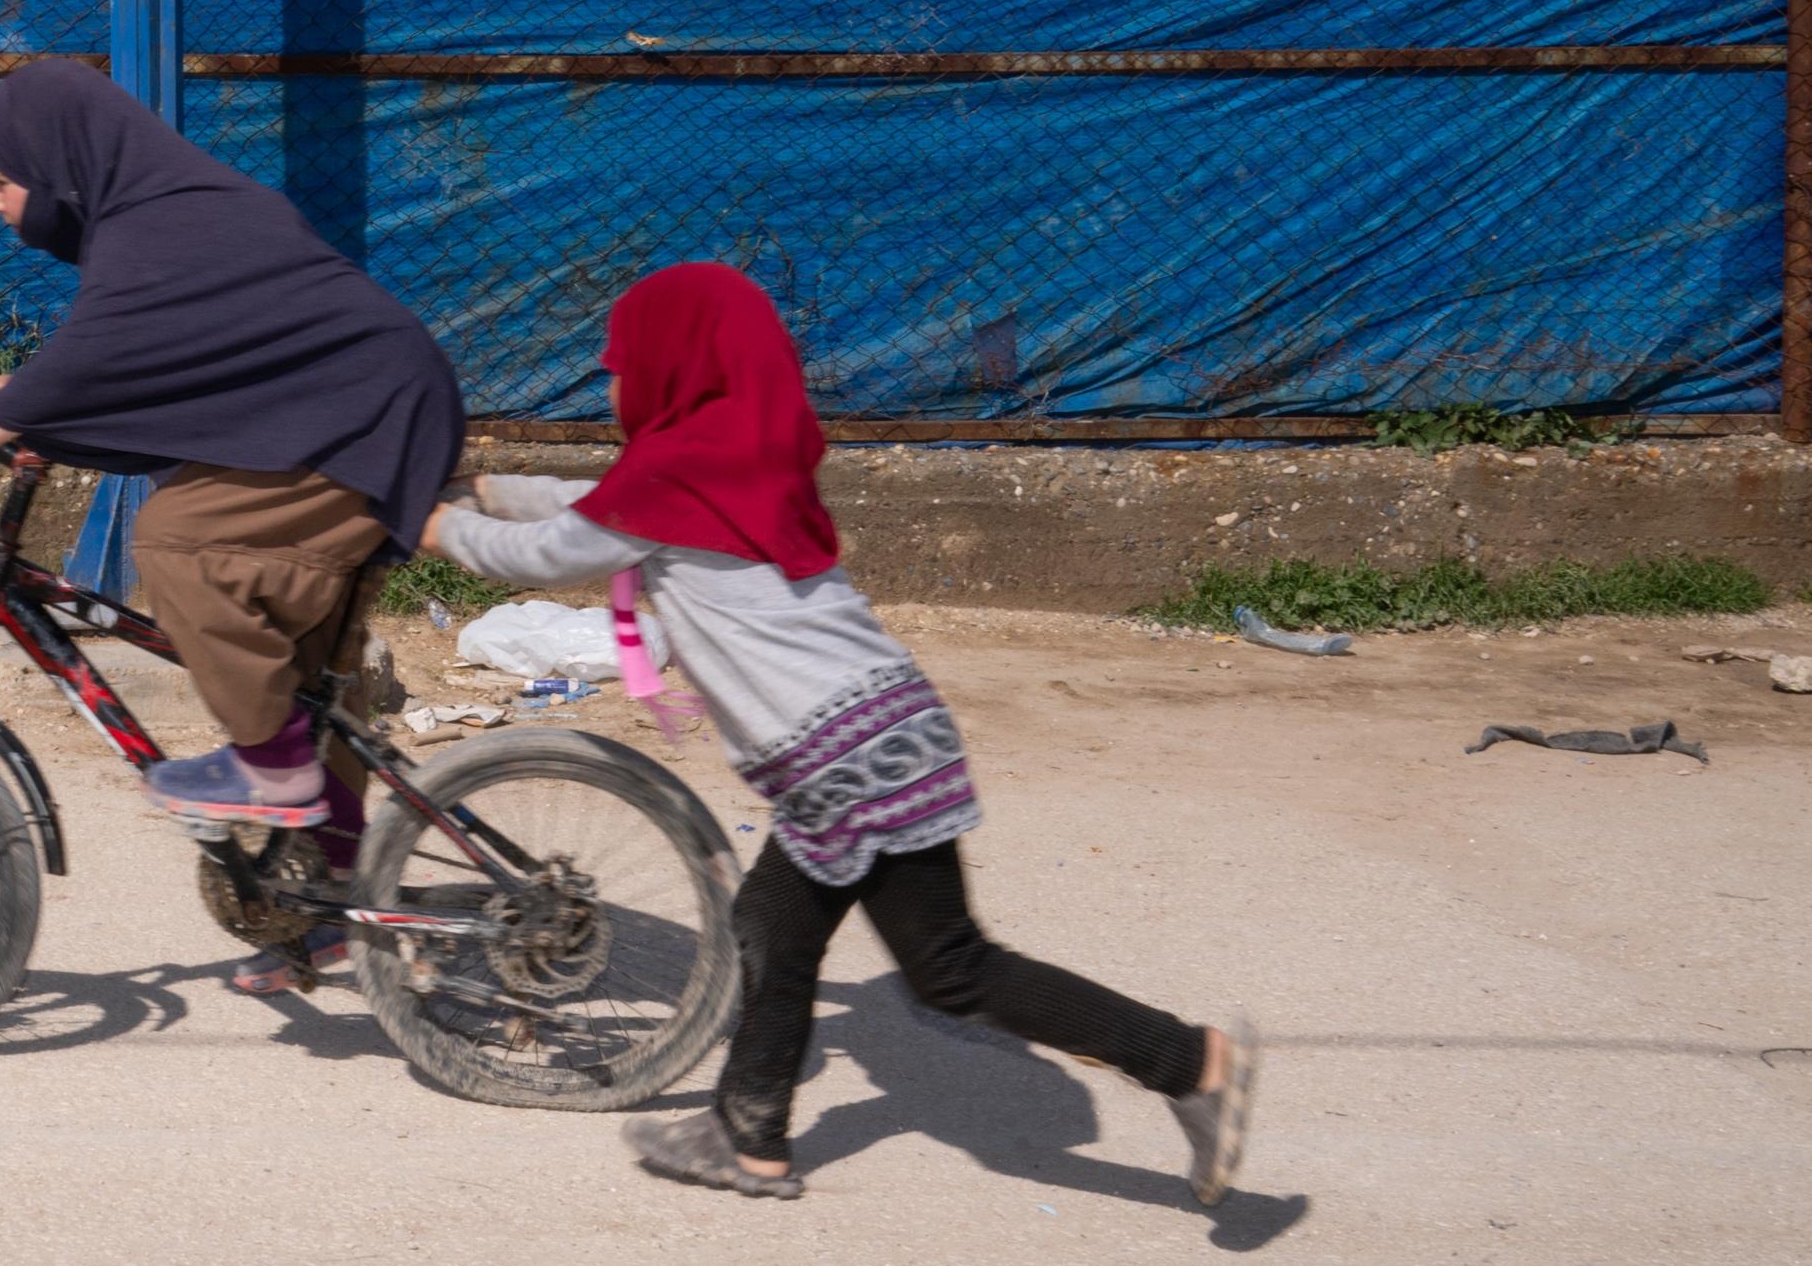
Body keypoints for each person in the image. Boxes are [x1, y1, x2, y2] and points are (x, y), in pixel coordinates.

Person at [417, 261, 1258, 1205]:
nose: (613, 385)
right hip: (875, 734)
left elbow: (551, 550)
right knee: (772, 927)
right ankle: (752, 1138)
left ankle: (1190, 1062)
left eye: (621, 364)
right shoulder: (731, 452)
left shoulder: (673, 475)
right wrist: (490, 485)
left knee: (950, 973)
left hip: (843, 757)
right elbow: (591, 504)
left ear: (673, 363)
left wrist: (435, 522)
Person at [0, 59, 466, 988]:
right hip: (362, 416)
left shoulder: (157, 227)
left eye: (1, 182)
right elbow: (141, 358)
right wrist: (30, 408)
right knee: (309, 685)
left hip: (363, 429)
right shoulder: (161, 213)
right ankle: (333, 916)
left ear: (57, 167)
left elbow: (102, 350)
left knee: (175, 540)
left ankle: (274, 771)